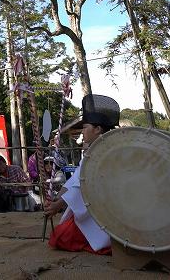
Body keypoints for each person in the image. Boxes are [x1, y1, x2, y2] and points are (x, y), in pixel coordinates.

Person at [45, 94, 119, 255]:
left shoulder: (107, 152)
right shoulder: (93, 151)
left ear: (98, 129)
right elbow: (77, 179)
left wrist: (58, 205)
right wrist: (58, 198)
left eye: (85, 127)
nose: (82, 131)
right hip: (97, 207)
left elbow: (86, 185)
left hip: (111, 210)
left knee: (60, 237)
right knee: (61, 234)